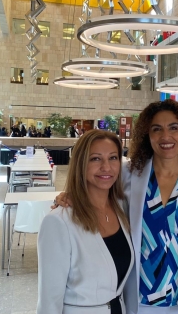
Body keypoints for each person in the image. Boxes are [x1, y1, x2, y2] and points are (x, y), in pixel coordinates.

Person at [55, 99, 178, 314]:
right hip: (138, 301)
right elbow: (97, 190)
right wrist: (70, 195)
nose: (166, 137)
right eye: (157, 129)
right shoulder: (128, 174)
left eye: (174, 128)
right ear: (147, 135)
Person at [38, 130, 133, 314]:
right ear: (81, 164)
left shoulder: (122, 208)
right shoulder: (59, 222)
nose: (106, 167)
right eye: (96, 159)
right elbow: (49, 301)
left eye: (113, 158)